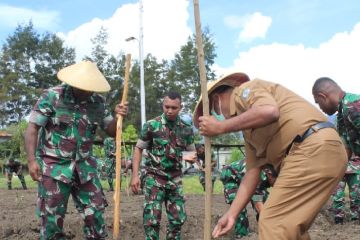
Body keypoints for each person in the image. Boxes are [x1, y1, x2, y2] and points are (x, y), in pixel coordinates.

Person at [193, 72, 347, 239]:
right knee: (291, 228)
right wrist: (232, 214)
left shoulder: (244, 91)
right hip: (325, 152)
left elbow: (269, 111)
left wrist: (221, 127)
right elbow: (252, 172)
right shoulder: (248, 130)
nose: (217, 116)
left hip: (311, 147)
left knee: (272, 222)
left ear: (217, 99)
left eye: (214, 111)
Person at [24, 61, 128, 240]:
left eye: (91, 88)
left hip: (85, 167)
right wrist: (32, 161)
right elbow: (32, 129)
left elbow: (111, 131)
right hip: (54, 167)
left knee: (95, 213)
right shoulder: (52, 97)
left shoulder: (98, 102)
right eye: (85, 87)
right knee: (51, 218)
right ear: (74, 83)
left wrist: (118, 116)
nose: (88, 91)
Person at [130, 91, 197, 240]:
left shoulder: (186, 128)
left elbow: (192, 153)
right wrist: (135, 176)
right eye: (167, 107)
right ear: (163, 105)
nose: (170, 111)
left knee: (177, 219)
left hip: (175, 179)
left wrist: (190, 157)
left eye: (174, 107)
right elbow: (138, 148)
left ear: (181, 107)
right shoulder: (151, 125)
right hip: (154, 178)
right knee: (152, 219)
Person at [312, 77, 360, 223]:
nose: (319, 107)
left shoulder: (352, 106)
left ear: (322, 96)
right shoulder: (342, 115)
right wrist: (333, 174)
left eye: (317, 102)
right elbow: (345, 149)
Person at [220, 159, 273, 239]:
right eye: (276, 181)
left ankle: (264, 231)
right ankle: (242, 236)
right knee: (239, 208)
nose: (274, 185)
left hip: (246, 177)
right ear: (269, 174)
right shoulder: (260, 176)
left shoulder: (271, 171)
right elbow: (258, 205)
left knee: (267, 201)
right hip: (230, 176)